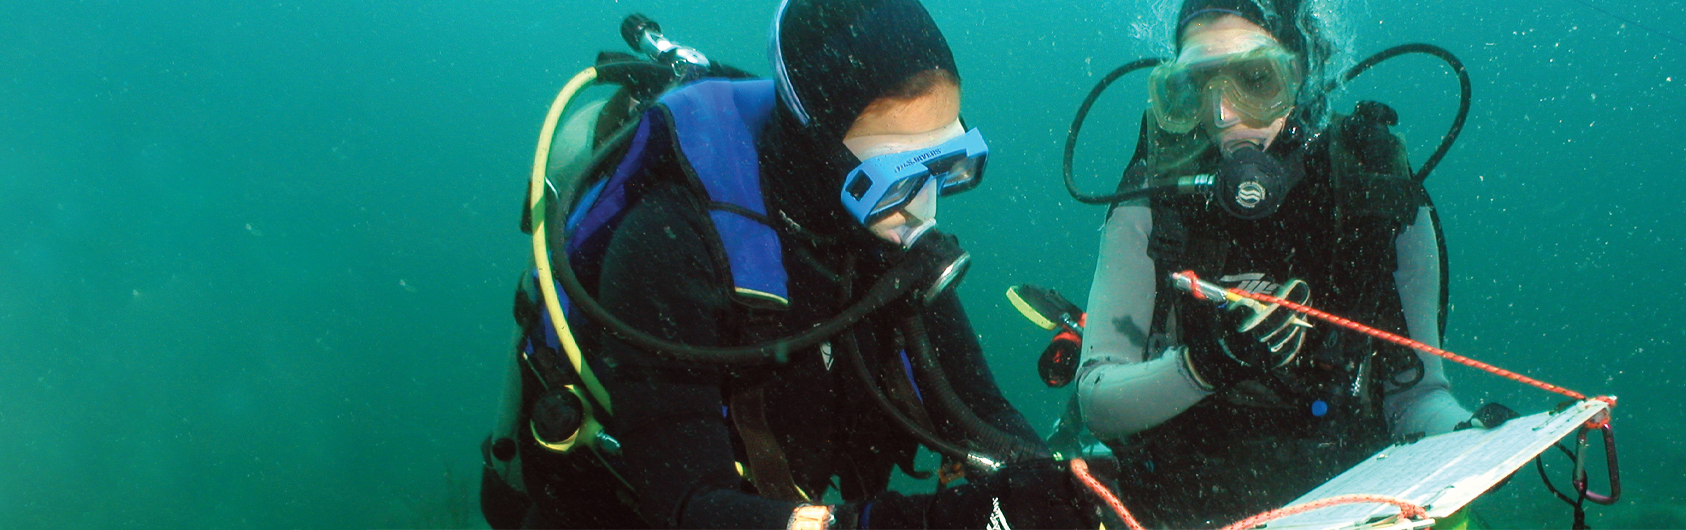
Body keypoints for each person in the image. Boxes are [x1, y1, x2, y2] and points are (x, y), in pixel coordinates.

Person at [486, 0, 1098, 528]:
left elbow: (982, 413)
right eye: (894, 179)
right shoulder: (668, 251)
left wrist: (1061, 491)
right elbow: (688, 508)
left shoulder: (890, 243)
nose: (925, 212)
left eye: (948, 166)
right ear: (816, 151)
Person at [1072, 0, 1493, 526]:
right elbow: (1098, 400)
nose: (1223, 115)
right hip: (1178, 500)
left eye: (1254, 78)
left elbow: (1418, 398)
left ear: (1301, 70)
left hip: (1347, 501)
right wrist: (1208, 364)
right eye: (1196, 87)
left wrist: (1472, 435)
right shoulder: (1153, 197)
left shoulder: (1372, 184)